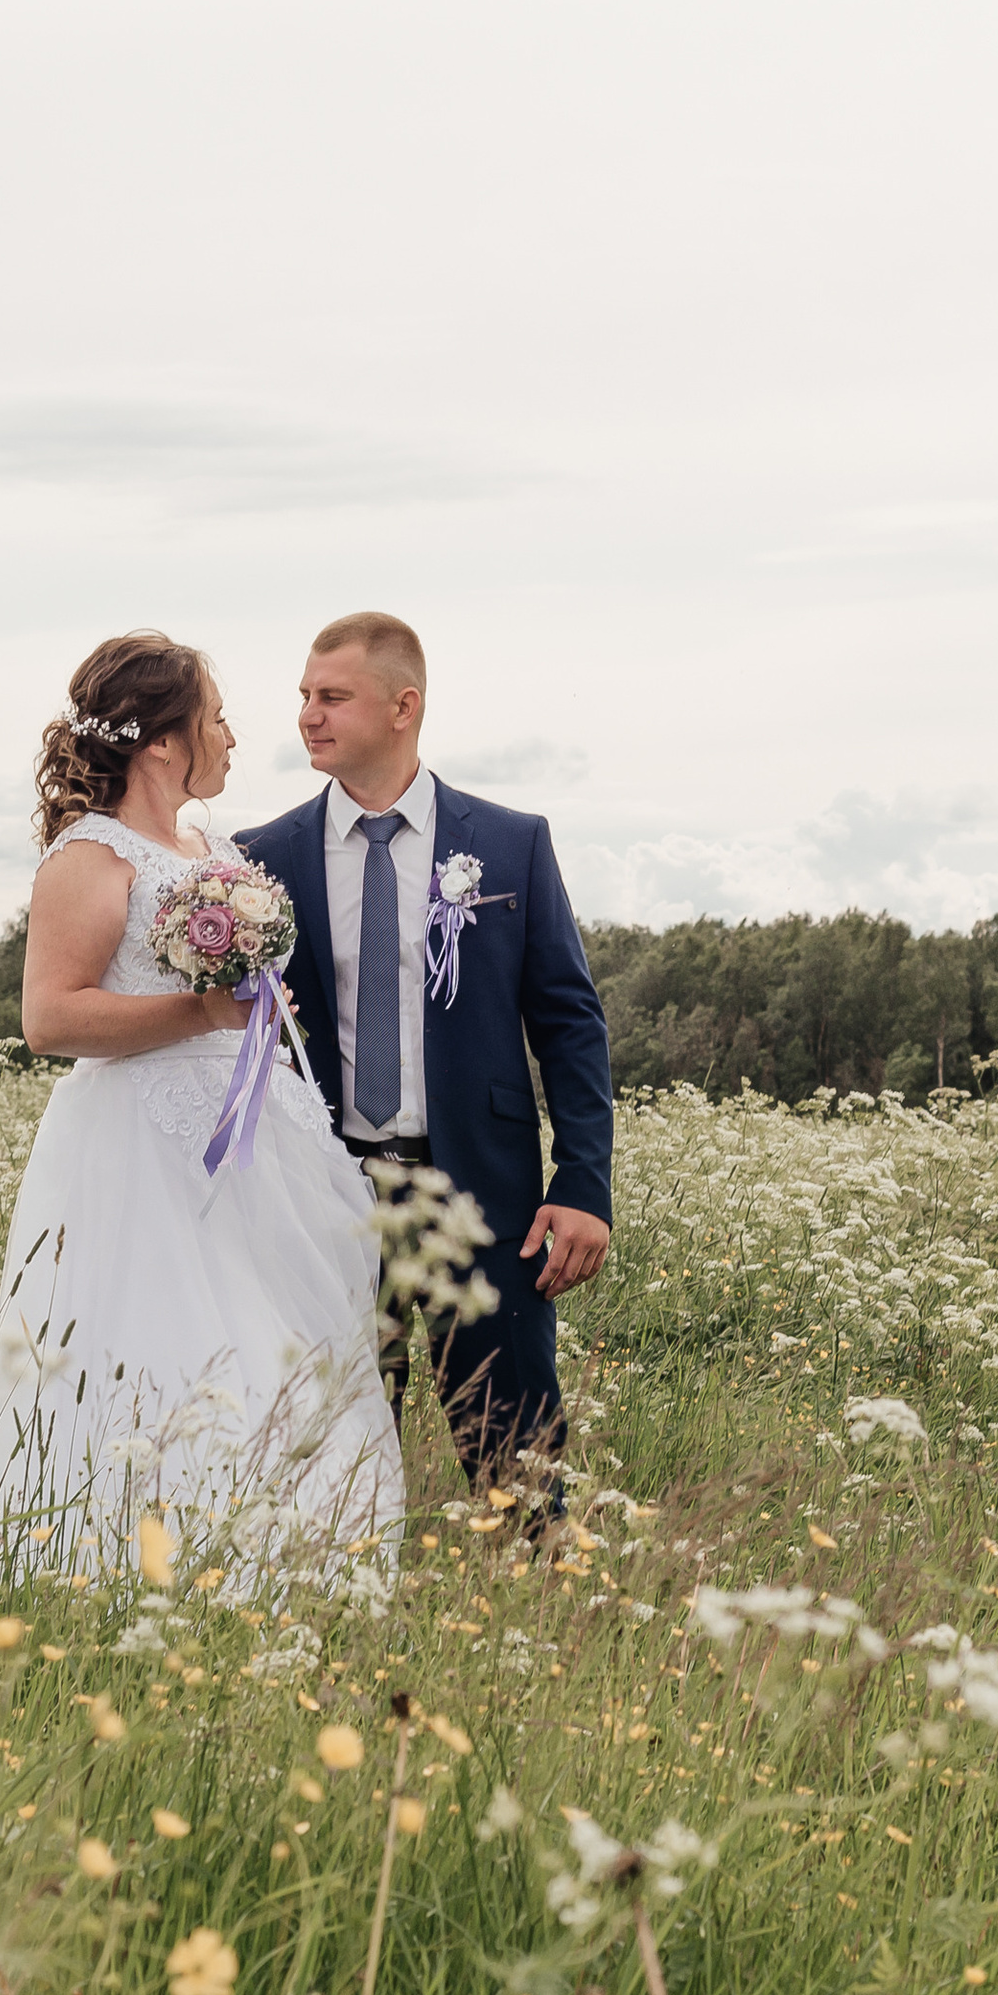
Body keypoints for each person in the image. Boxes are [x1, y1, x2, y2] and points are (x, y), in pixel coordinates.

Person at [0, 631, 403, 1580]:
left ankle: (295, 1565)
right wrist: (201, 1007)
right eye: (216, 718)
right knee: (172, 1352)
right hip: (145, 1148)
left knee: (283, 1347)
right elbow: (51, 1018)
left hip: (258, 1134)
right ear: (164, 741)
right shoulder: (88, 856)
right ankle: (143, 1570)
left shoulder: (209, 847)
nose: (235, 736)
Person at [237, 611, 613, 1517]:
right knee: (326, 1458)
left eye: (332, 697)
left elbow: (569, 1022)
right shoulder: (261, 858)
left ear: (403, 707)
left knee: (519, 1470)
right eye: (303, 697)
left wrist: (584, 1185)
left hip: (481, 1199)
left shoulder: (511, 842)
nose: (308, 716)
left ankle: (540, 1625)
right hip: (323, 1196)